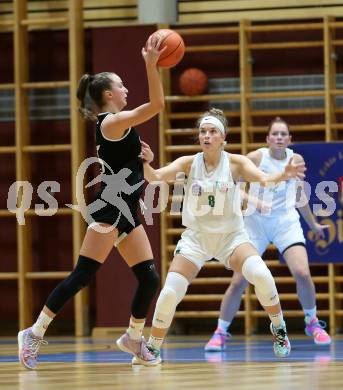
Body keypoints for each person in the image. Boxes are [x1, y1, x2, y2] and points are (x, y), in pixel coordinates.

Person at [18, 35, 166, 370]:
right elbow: (157, 106)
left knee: (150, 278)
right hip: (108, 210)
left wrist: (147, 159)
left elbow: (130, 167)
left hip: (126, 209)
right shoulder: (112, 121)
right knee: (82, 275)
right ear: (109, 95)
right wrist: (150, 65)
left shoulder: (118, 125)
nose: (126, 89)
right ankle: (34, 332)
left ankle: (132, 337)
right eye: (122, 85)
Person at [129, 108, 306, 366]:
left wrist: (284, 174)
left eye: (212, 132)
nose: (206, 136)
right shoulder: (189, 163)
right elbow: (155, 177)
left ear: (223, 138)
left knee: (262, 275)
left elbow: (266, 180)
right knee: (169, 292)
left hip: (231, 238)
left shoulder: (235, 163)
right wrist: (146, 162)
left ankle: (279, 328)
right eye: (203, 131)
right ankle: (152, 348)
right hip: (196, 239)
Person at [205, 117, 331, 352]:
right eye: (275, 134)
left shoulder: (296, 160)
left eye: (284, 134)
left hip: (285, 221)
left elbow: (300, 196)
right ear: (268, 138)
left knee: (303, 272)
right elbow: (233, 186)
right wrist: (254, 201)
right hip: (255, 224)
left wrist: (313, 225)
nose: (280, 137)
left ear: (290, 139)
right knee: (239, 280)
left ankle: (312, 322)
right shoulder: (256, 158)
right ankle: (221, 331)